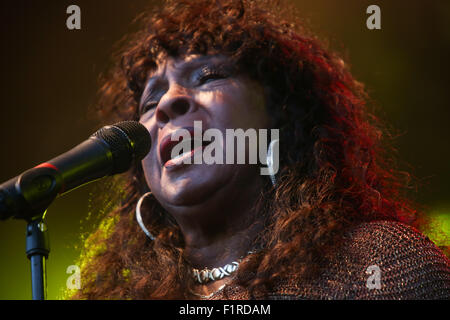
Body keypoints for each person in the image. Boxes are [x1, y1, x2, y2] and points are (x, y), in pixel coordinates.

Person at [68, 0, 450, 300]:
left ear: (280, 118)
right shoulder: (115, 294)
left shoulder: (377, 264)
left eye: (209, 76)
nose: (169, 103)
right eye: (150, 102)